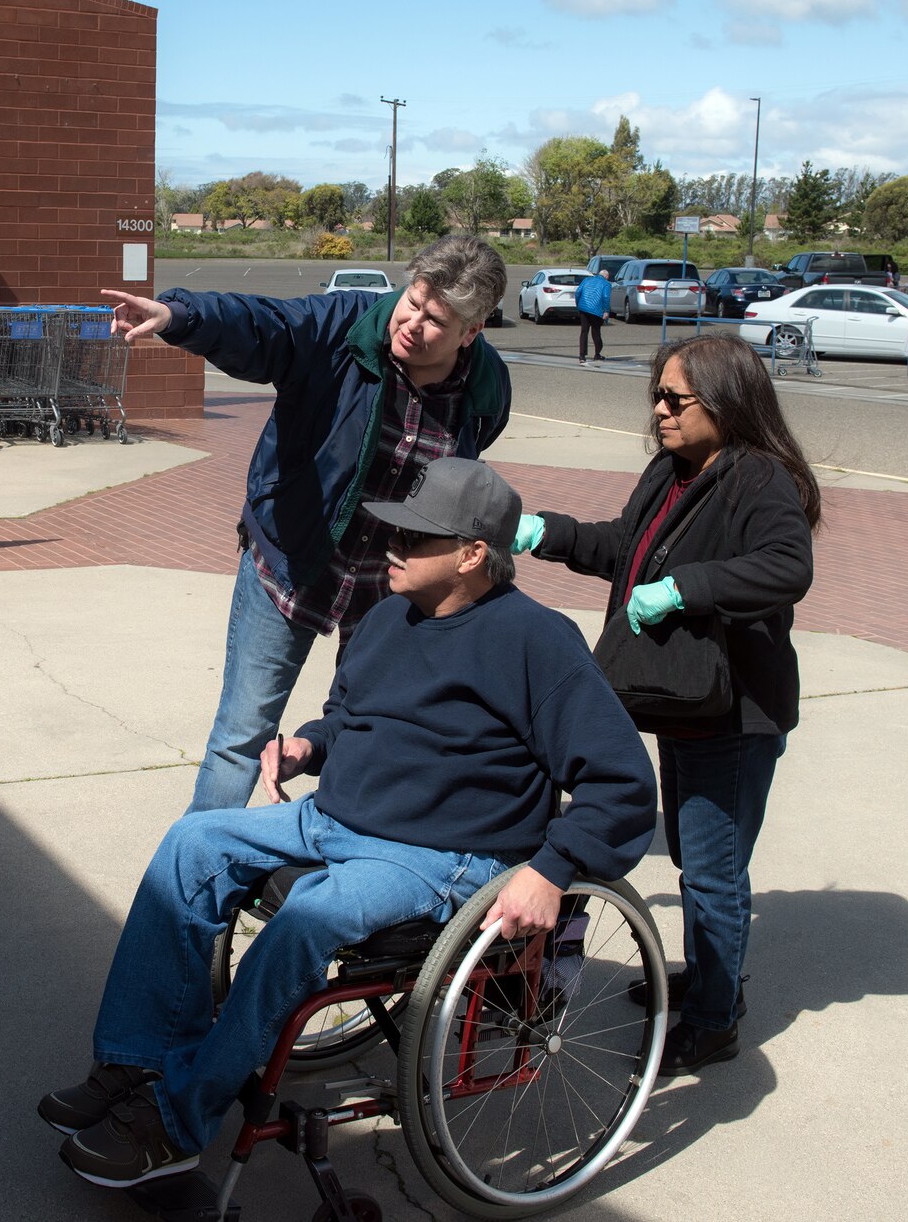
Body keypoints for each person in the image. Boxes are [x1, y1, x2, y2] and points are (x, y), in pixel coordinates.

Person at [40, 459, 656, 1187]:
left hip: (440, 854)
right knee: (191, 844)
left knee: (306, 914)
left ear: (472, 554)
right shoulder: (385, 615)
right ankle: (135, 1060)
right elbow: (350, 716)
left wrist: (553, 869)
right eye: (395, 525)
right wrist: (310, 743)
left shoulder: (537, 641)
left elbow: (623, 783)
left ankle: (176, 1119)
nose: (391, 542)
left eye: (416, 535)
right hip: (335, 816)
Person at [101, 235, 512, 814]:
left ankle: (330, 867)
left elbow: (464, 471)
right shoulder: (342, 326)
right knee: (241, 739)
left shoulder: (486, 386)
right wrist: (177, 316)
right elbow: (264, 324)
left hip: (390, 586)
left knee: (367, 733)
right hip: (292, 561)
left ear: (472, 332)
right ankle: (190, 883)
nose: (412, 323)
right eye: (411, 301)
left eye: (436, 320)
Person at [513, 332, 818, 1076]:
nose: (660, 411)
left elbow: (787, 567)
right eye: (656, 395)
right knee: (691, 855)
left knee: (713, 872)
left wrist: (688, 587)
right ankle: (709, 977)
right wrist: (545, 532)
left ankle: (715, 1017)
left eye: (674, 399)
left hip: (736, 710)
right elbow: (625, 545)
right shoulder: (673, 470)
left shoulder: (761, 480)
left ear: (724, 399)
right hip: (686, 700)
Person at [576, 268, 611, 365]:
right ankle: (597, 353)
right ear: (606, 277)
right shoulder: (606, 284)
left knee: (584, 331)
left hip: (584, 308)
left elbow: (578, 292)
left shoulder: (586, 280)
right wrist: (606, 311)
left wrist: (578, 305)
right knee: (596, 331)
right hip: (596, 310)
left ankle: (582, 356)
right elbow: (606, 297)